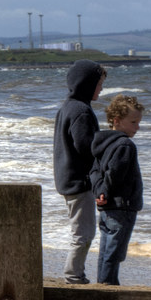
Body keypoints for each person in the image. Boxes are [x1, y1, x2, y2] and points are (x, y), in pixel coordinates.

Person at [53, 59, 107, 284]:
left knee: (81, 231)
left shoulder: (68, 106)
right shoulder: (81, 111)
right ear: (87, 83)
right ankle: (73, 276)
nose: (102, 88)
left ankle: (74, 274)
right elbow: (86, 148)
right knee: (83, 234)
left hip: (67, 178)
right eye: (99, 83)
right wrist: (107, 143)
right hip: (79, 181)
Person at [90, 94, 145, 286]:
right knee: (115, 251)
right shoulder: (125, 145)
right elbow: (115, 174)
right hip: (122, 206)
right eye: (133, 122)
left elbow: (95, 171)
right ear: (117, 121)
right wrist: (105, 191)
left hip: (107, 206)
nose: (137, 127)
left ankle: (104, 283)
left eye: (138, 122)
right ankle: (108, 286)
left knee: (107, 250)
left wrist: (99, 192)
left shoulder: (103, 143)